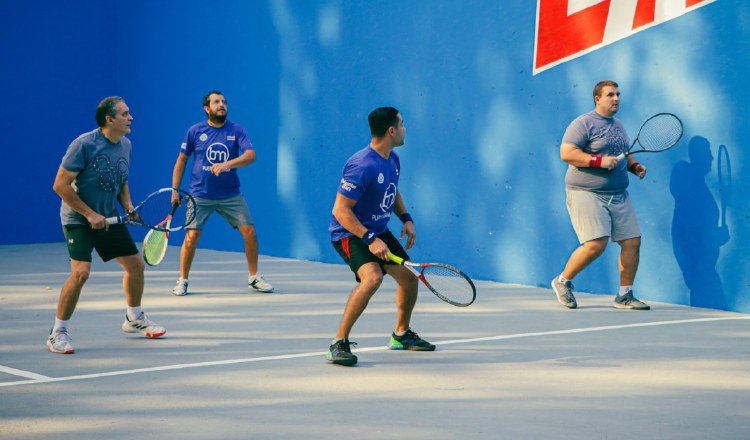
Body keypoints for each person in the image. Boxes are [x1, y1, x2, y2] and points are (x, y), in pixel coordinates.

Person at [47, 97, 166, 354]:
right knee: (80, 273)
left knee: (136, 266)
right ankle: (57, 332)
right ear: (109, 120)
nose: (131, 118)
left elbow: (121, 180)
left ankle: (133, 318)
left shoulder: (126, 145)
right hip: (78, 219)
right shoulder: (84, 145)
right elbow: (60, 185)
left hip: (109, 216)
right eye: (125, 114)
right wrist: (90, 214)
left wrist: (128, 205)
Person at [326, 106, 435, 367]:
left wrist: (406, 218)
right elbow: (340, 211)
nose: (405, 128)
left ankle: (401, 335)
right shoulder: (361, 165)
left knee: (409, 278)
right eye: (402, 123)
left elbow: (392, 190)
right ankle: (338, 343)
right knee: (372, 277)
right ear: (391, 130)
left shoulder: (392, 159)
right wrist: (369, 239)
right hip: (349, 232)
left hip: (378, 230)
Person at [552, 80, 650, 310]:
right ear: (598, 98)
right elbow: (567, 153)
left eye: (618, 94)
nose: (616, 98)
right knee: (596, 244)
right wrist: (598, 161)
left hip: (618, 194)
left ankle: (624, 296)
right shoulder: (583, 124)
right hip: (586, 192)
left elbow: (622, 154)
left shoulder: (618, 125)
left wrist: (634, 166)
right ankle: (562, 281)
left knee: (632, 242)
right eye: (610, 95)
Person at [170, 90, 273, 296]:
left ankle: (254, 277)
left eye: (224, 102)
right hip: (200, 194)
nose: (221, 105)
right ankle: (182, 280)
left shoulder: (237, 130)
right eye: (216, 102)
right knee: (191, 238)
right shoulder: (195, 131)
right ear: (206, 108)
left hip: (230, 195)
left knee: (250, 233)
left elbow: (251, 156)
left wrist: (227, 164)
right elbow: (181, 160)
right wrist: (175, 190)